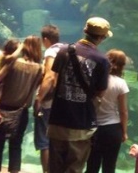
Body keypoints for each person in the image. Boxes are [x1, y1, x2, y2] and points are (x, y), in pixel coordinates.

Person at [36, 17, 111, 173]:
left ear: (85, 31)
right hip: (82, 124)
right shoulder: (102, 60)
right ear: (102, 37)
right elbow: (101, 92)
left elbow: (54, 79)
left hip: (57, 120)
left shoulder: (63, 51)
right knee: (74, 168)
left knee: (54, 168)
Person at [0, 36, 42, 173]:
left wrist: (1, 87)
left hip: (3, 109)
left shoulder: (14, 64)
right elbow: (34, 90)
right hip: (22, 111)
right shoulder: (39, 68)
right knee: (16, 145)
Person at [85, 49, 129, 173]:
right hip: (113, 129)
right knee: (109, 167)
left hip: (94, 128)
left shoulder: (95, 79)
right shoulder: (121, 83)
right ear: (122, 65)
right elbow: (123, 111)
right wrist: (124, 132)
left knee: (92, 165)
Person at [33, 24, 62, 173]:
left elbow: (50, 76)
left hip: (49, 103)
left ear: (45, 39)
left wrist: (39, 98)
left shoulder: (51, 51)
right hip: (62, 103)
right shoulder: (66, 50)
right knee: (57, 141)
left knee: (45, 141)